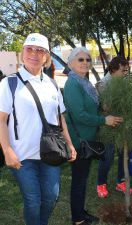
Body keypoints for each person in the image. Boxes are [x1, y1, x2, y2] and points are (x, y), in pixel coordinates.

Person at [0, 33, 76, 225]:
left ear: (46, 57)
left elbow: (60, 118)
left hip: (51, 152)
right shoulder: (9, 83)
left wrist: (69, 144)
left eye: (40, 50)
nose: (34, 53)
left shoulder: (52, 84)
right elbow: (1, 120)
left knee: (51, 196)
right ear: (22, 53)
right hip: (22, 156)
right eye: (30, 49)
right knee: (33, 201)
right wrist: (7, 151)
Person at [64, 47, 123, 225]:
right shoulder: (73, 84)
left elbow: (89, 107)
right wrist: (104, 120)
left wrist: (101, 109)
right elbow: (80, 114)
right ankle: (78, 219)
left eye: (88, 59)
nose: (85, 63)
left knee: (82, 179)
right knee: (79, 181)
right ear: (71, 63)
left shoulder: (84, 82)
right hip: (79, 141)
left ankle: (80, 213)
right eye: (80, 59)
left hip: (88, 139)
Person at [95, 56, 132, 198]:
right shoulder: (102, 84)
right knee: (108, 156)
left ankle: (121, 181)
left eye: (126, 71)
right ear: (113, 69)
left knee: (124, 154)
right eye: (123, 71)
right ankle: (101, 183)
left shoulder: (122, 82)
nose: (125, 74)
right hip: (108, 127)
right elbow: (106, 107)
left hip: (121, 125)